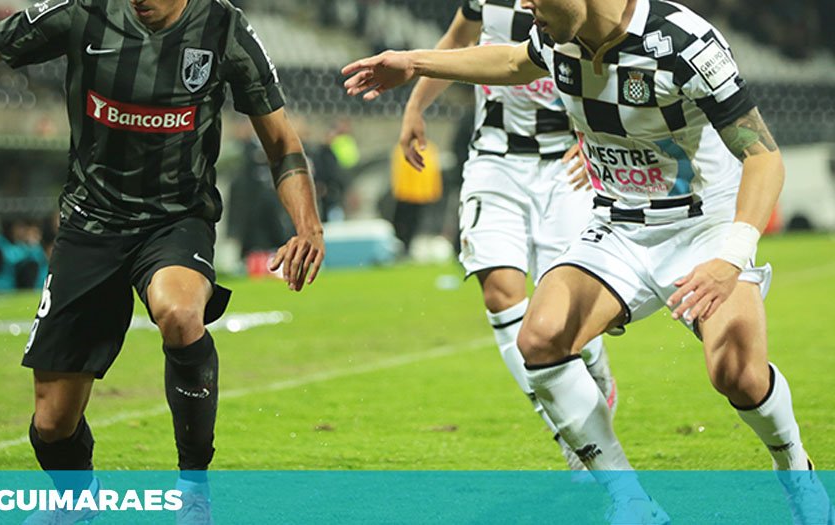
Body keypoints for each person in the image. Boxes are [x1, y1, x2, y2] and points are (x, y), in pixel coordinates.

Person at [0, 2, 326, 525]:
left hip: (176, 221)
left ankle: (193, 493)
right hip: (90, 226)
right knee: (52, 424)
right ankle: (78, 498)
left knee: (180, 313)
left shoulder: (223, 27)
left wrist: (309, 226)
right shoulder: (84, 12)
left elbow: (280, 141)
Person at [343, 0, 833, 522]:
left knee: (737, 374)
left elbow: (763, 157)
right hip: (619, 226)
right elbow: (509, 62)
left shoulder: (684, 42)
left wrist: (730, 258)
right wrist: (413, 62)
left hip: (702, 228)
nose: (525, 5)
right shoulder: (558, 36)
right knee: (539, 338)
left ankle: (794, 469)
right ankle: (631, 500)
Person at [396, 0, 616, 471]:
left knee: (567, 311)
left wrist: (602, 139)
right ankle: (568, 431)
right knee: (500, 293)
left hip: (565, 166)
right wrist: (415, 105)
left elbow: (614, 57)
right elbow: (456, 42)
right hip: (494, 159)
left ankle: (595, 370)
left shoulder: (579, 5)